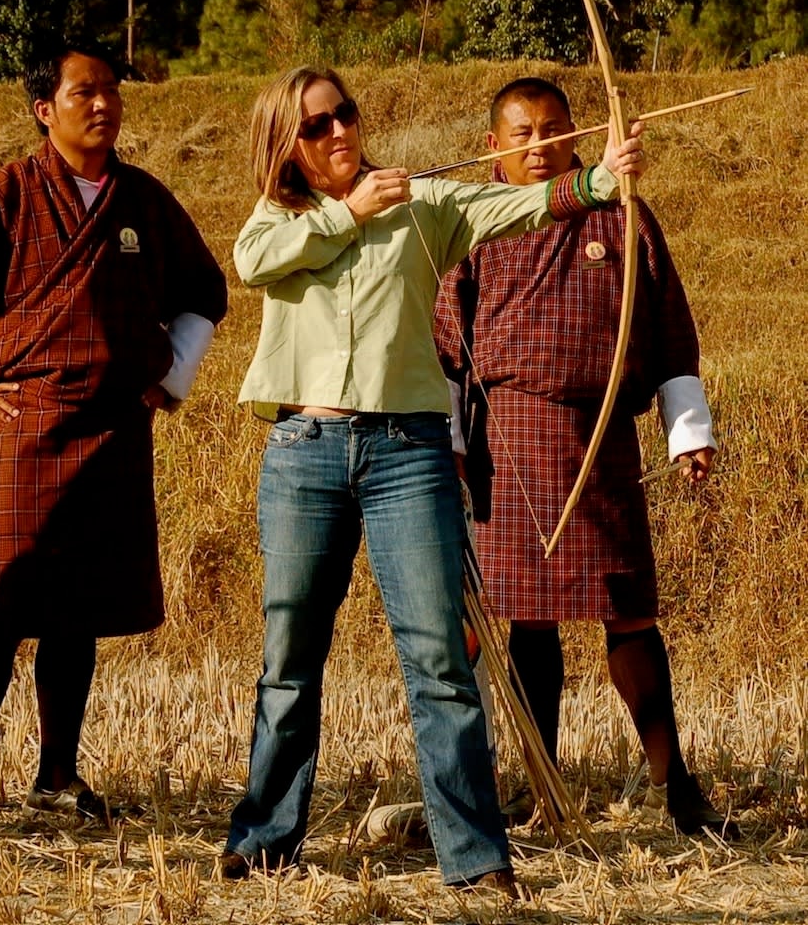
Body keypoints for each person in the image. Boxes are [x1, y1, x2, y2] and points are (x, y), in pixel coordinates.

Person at [221, 64, 645, 890]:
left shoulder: (427, 204)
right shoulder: (278, 217)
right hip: (305, 450)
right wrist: (350, 212)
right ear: (289, 146)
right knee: (288, 658)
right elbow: (252, 263)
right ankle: (264, 840)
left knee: (442, 660)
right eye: (317, 126)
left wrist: (596, 180)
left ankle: (476, 857)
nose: (340, 131)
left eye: (344, 114)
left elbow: (520, 203)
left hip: (409, 456)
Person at [0, 43, 227, 836]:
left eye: (111, 91)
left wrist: (170, 376)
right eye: (84, 91)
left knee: (77, 613)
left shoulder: (144, 200)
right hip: (24, 427)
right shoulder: (8, 193)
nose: (103, 104)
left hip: (114, 428)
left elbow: (206, 291)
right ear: (43, 109)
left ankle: (57, 773)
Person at [434, 76, 737, 838]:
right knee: (530, 620)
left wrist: (686, 428)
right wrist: (453, 441)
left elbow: (668, 325)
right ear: (493, 143)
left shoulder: (622, 213)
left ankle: (676, 786)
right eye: (523, 132)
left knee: (630, 612)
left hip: (602, 435)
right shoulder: (470, 221)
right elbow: (441, 346)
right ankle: (540, 788)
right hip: (511, 434)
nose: (541, 146)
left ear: (577, 131)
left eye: (554, 128)